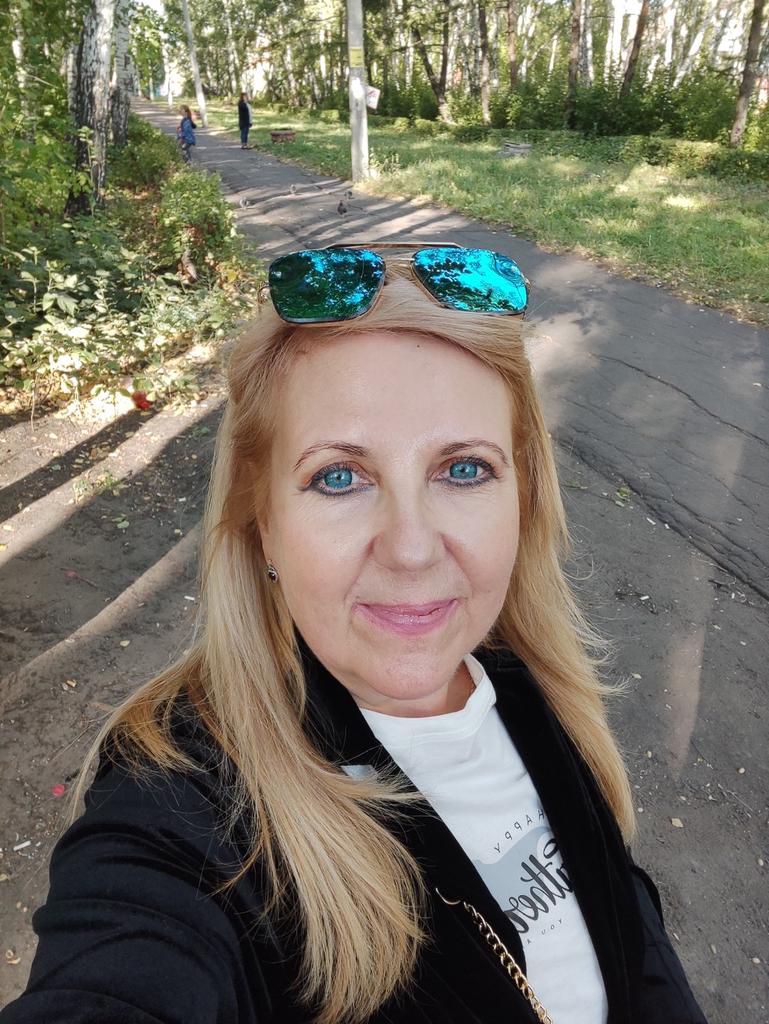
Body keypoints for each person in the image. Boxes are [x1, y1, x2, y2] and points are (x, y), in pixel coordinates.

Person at [0, 243, 709, 1024]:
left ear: (522, 497)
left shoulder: (524, 679)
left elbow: (627, 931)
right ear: (262, 520)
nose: (411, 549)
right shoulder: (186, 807)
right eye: (338, 477)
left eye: (463, 469)